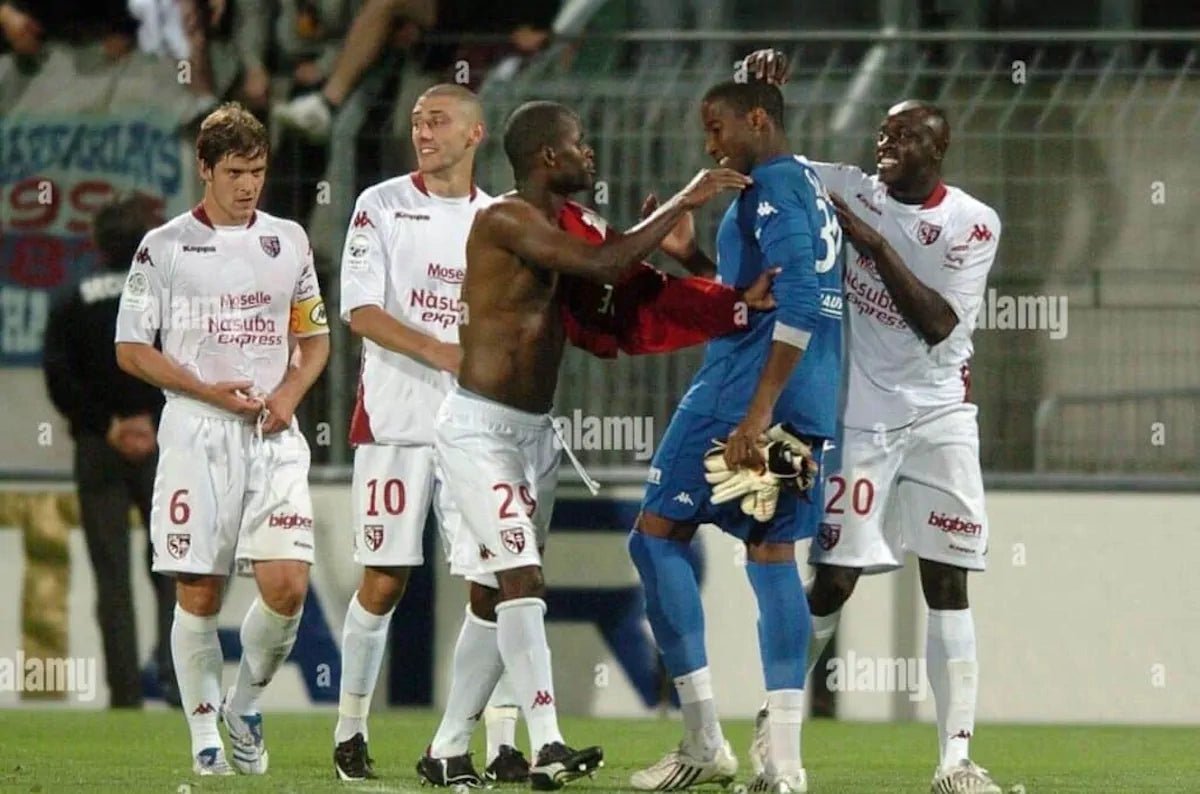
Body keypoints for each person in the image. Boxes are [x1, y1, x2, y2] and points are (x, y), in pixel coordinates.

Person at [420, 99, 751, 790]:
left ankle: (449, 749)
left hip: (532, 434)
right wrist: (683, 200)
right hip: (477, 429)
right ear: (547, 158)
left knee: (493, 594)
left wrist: (719, 287)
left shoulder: (565, 225)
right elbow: (602, 267)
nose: (589, 153)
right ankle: (547, 743)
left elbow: (625, 282)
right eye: (579, 143)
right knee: (523, 577)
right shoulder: (506, 218)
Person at [744, 49, 1004, 794]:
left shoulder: (971, 223)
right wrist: (762, 95)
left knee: (948, 581)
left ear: (938, 148)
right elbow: (773, 163)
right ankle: (777, 727)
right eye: (882, 135)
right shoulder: (850, 188)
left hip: (941, 417)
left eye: (903, 137)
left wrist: (872, 240)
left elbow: (934, 322)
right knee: (833, 581)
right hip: (860, 421)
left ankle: (955, 761)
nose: (885, 146)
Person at [627, 78, 844, 794]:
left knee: (655, 536)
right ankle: (784, 762)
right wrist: (695, 261)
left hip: (741, 394)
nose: (710, 143)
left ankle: (702, 738)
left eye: (717, 127)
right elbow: (768, 290)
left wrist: (754, 417)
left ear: (757, 119)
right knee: (773, 556)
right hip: (813, 398)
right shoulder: (805, 182)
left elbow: (801, 302)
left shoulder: (772, 187)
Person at [114, 102, 331, 776]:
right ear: (204, 168)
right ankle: (205, 738)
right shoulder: (164, 247)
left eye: (258, 171)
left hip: (272, 433)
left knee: (288, 584)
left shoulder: (289, 240)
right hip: (197, 433)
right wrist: (210, 391)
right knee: (200, 595)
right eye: (235, 171)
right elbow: (130, 349)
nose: (248, 185)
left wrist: (288, 398)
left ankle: (242, 706)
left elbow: (314, 337)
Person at [332, 83, 528, 784]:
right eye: (416, 120)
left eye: (437, 121)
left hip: (477, 427)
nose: (422, 131)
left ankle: (499, 740)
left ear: (475, 135)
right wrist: (443, 350)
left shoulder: (500, 218)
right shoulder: (380, 204)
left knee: (499, 578)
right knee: (384, 581)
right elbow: (360, 310)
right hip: (397, 420)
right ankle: (351, 728)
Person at [42, 195, 178, 709]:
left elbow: (59, 375)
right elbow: (179, 362)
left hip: (99, 446)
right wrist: (152, 421)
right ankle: (175, 684)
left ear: (97, 242)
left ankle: (124, 695)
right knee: (172, 566)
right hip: (163, 442)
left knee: (111, 575)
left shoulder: (72, 298)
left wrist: (107, 423)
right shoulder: (164, 296)